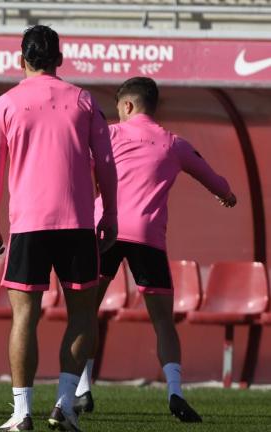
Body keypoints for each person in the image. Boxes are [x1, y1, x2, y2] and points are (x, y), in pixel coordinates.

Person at [74, 76, 236, 423]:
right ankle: (175, 392)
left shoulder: (110, 135)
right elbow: (212, 178)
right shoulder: (174, 144)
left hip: (106, 230)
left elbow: (80, 172)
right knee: (163, 321)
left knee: (86, 312)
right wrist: (227, 194)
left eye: (118, 108)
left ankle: (82, 388)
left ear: (128, 106)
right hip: (148, 236)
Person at [0, 25, 118, 432]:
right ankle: (64, 405)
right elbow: (107, 164)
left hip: (28, 226)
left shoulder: (4, 103)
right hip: (77, 224)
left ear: (20, 59)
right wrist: (109, 215)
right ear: (60, 60)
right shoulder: (84, 100)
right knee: (82, 316)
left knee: (24, 318)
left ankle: (22, 412)